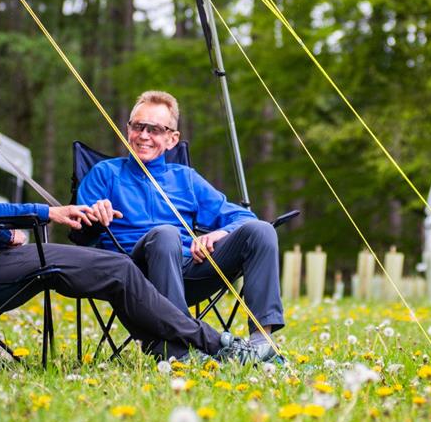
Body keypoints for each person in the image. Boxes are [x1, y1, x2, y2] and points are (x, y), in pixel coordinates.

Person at [0, 87, 273, 364]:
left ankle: (209, 345)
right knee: (121, 269)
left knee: (123, 273)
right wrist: (52, 213)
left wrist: (3, 233)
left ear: (172, 138)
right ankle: (212, 344)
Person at [75, 90, 284, 352]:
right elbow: (79, 231)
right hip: (132, 275)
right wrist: (94, 215)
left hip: (189, 271)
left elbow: (243, 217)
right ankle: (177, 350)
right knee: (165, 234)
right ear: (128, 129)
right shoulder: (105, 173)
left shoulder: (185, 178)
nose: (144, 136)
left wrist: (218, 234)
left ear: (172, 139)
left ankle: (261, 344)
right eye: (138, 126)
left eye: (155, 130)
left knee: (261, 231)